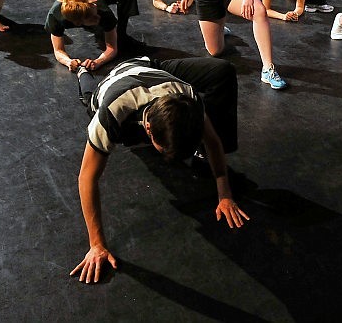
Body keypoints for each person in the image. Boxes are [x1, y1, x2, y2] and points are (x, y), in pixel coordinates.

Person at [69, 55, 248, 284]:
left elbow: (212, 142)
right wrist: (97, 244)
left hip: (146, 67)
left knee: (223, 70)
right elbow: (87, 178)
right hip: (112, 86)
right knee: (89, 99)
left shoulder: (188, 99)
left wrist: (224, 193)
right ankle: (84, 72)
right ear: (148, 129)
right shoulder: (112, 112)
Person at [44, 0, 142, 71]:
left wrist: (98, 62)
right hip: (75, 9)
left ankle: (120, 32)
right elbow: (58, 50)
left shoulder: (101, 10)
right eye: (93, 18)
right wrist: (69, 62)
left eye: (96, 14)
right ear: (79, 23)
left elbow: (112, 48)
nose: (98, 18)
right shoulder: (55, 16)